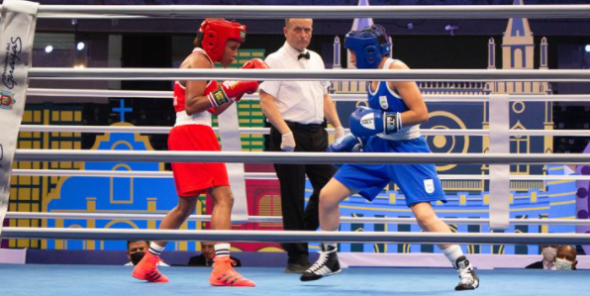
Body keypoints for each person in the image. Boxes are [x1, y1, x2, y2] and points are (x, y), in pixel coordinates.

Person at [300, 25, 480, 291]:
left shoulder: (397, 71)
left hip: (408, 151)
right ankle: (330, 258)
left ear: (369, 51)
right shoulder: (371, 75)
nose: (350, 58)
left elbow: (421, 113)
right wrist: (356, 138)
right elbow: (374, 121)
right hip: (378, 148)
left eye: (353, 53)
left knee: (424, 217)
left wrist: (382, 120)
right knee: (327, 196)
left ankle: (466, 268)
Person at [132, 18, 267, 287]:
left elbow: (212, 108)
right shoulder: (200, 60)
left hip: (187, 132)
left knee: (185, 206)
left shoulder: (203, 62)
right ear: (216, 41)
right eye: (233, 46)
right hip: (193, 132)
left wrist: (236, 90)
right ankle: (221, 267)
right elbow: (194, 105)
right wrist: (234, 86)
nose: (235, 52)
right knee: (224, 197)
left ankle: (147, 263)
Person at [259, 18, 345, 273]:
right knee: (293, 195)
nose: (303, 34)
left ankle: (298, 235)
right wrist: (284, 131)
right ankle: (297, 258)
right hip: (289, 132)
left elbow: (325, 96)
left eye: (307, 29)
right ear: (286, 31)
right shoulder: (274, 60)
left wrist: (338, 126)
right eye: (297, 29)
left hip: (317, 132)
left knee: (331, 188)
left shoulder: (317, 58)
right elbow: (266, 100)